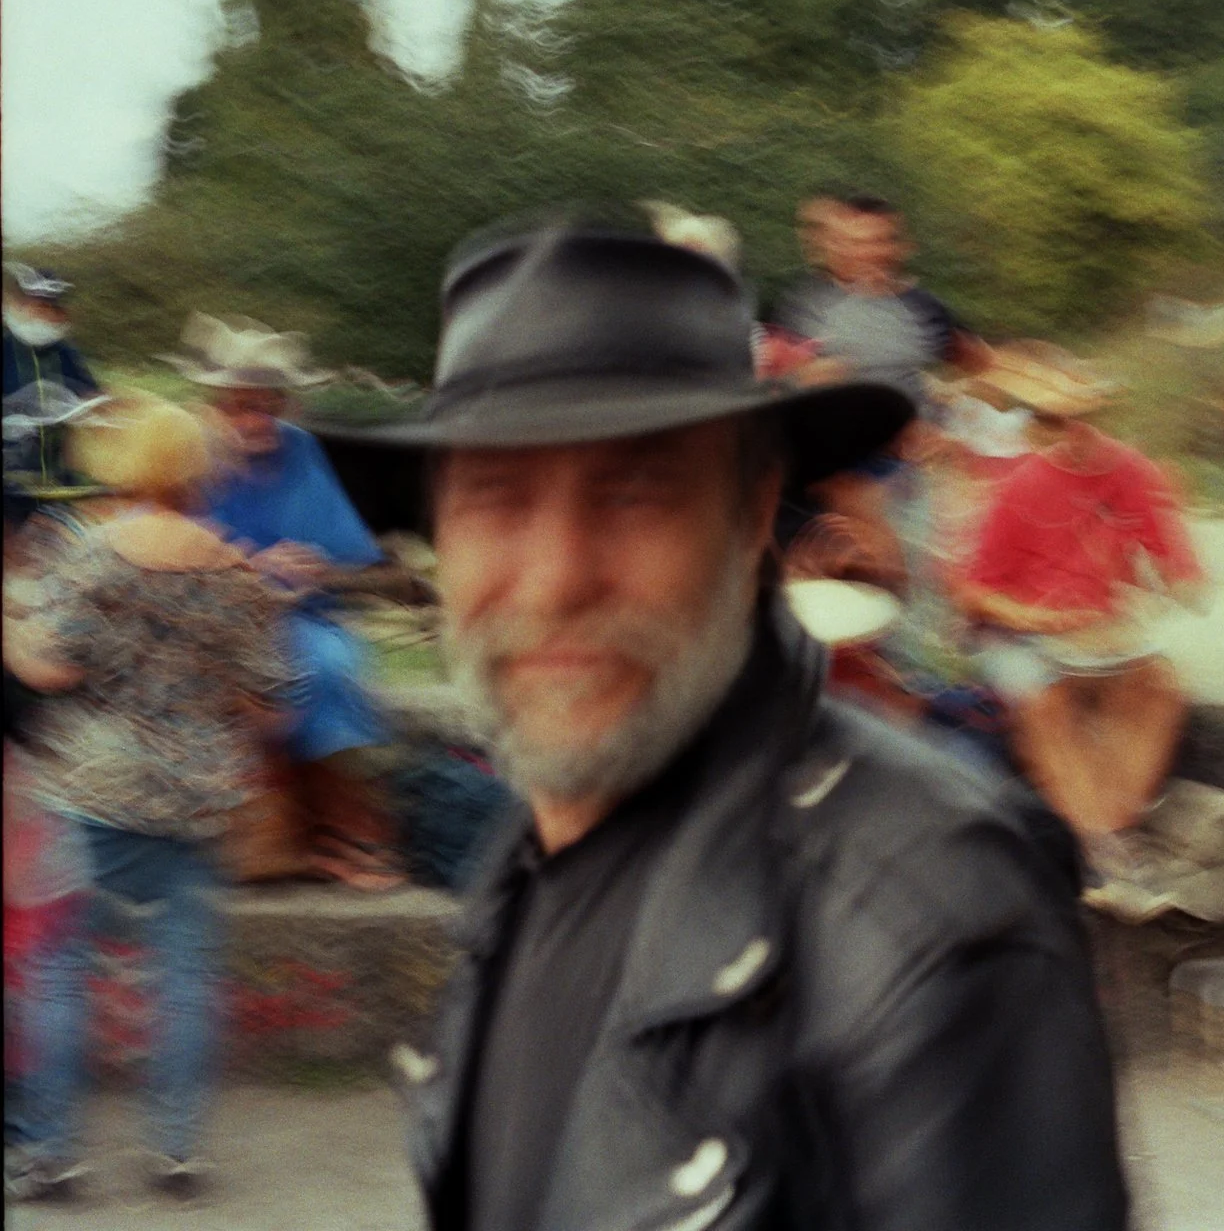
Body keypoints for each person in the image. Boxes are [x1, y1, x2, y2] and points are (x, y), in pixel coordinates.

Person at [313, 221, 1125, 1230]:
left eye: (635, 491)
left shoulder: (933, 913)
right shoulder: (521, 863)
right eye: (495, 500)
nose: (557, 579)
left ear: (750, 522)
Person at [5, 396, 290, 1203]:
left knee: (57, 970)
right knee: (186, 976)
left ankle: (51, 1156)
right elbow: (272, 708)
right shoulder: (239, 574)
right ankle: (176, 1155)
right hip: (195, 801)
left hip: (91, 792)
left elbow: (50, 670)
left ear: (126, 464)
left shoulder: (92, 556)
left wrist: (11, 625)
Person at [174, 315, 409, 890]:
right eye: (241, 405)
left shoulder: (300, 448)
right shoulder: (187, 449)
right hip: (211, 616)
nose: (257, 419)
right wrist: (248, 567)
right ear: (215, 403)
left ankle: (330, 829)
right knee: (271, 672)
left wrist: (316, 568)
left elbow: (347, 556)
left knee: (330, 661)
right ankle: (332, 830)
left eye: (268, 404)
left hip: (300, 614)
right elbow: (161, 545)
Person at [956, 344, 1204, 864]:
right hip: (1019, 632)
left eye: (1082, 416)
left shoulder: (1134, 472)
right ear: (1038, 426)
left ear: (1101, 414)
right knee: (1045, 699)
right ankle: (1094, 841)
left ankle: (1109, 825)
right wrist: (1035, 617)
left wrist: (1175, 585)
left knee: (1162, 687)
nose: (1071, 431)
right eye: (1052, 420)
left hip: (1097, 635)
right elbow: (973, 592)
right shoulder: (1019, 484)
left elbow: (1177, 565)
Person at [772, 193, 990, 404]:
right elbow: (775, 385)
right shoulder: (806, 306)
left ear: (900, 248)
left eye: (881, 241)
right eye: (859, 243)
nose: (871, 253)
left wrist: (950, 388)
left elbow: (977, 360)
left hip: (917, 423)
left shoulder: (923, 307)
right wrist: (803, 379)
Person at [3, 263, 102, 529]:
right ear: (19, 305)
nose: (42, 313)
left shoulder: (67, 354)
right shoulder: (5, 349)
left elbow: (91, 398)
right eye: (36, 305)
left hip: (61, 483)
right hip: (10, 489)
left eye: (49, 306)